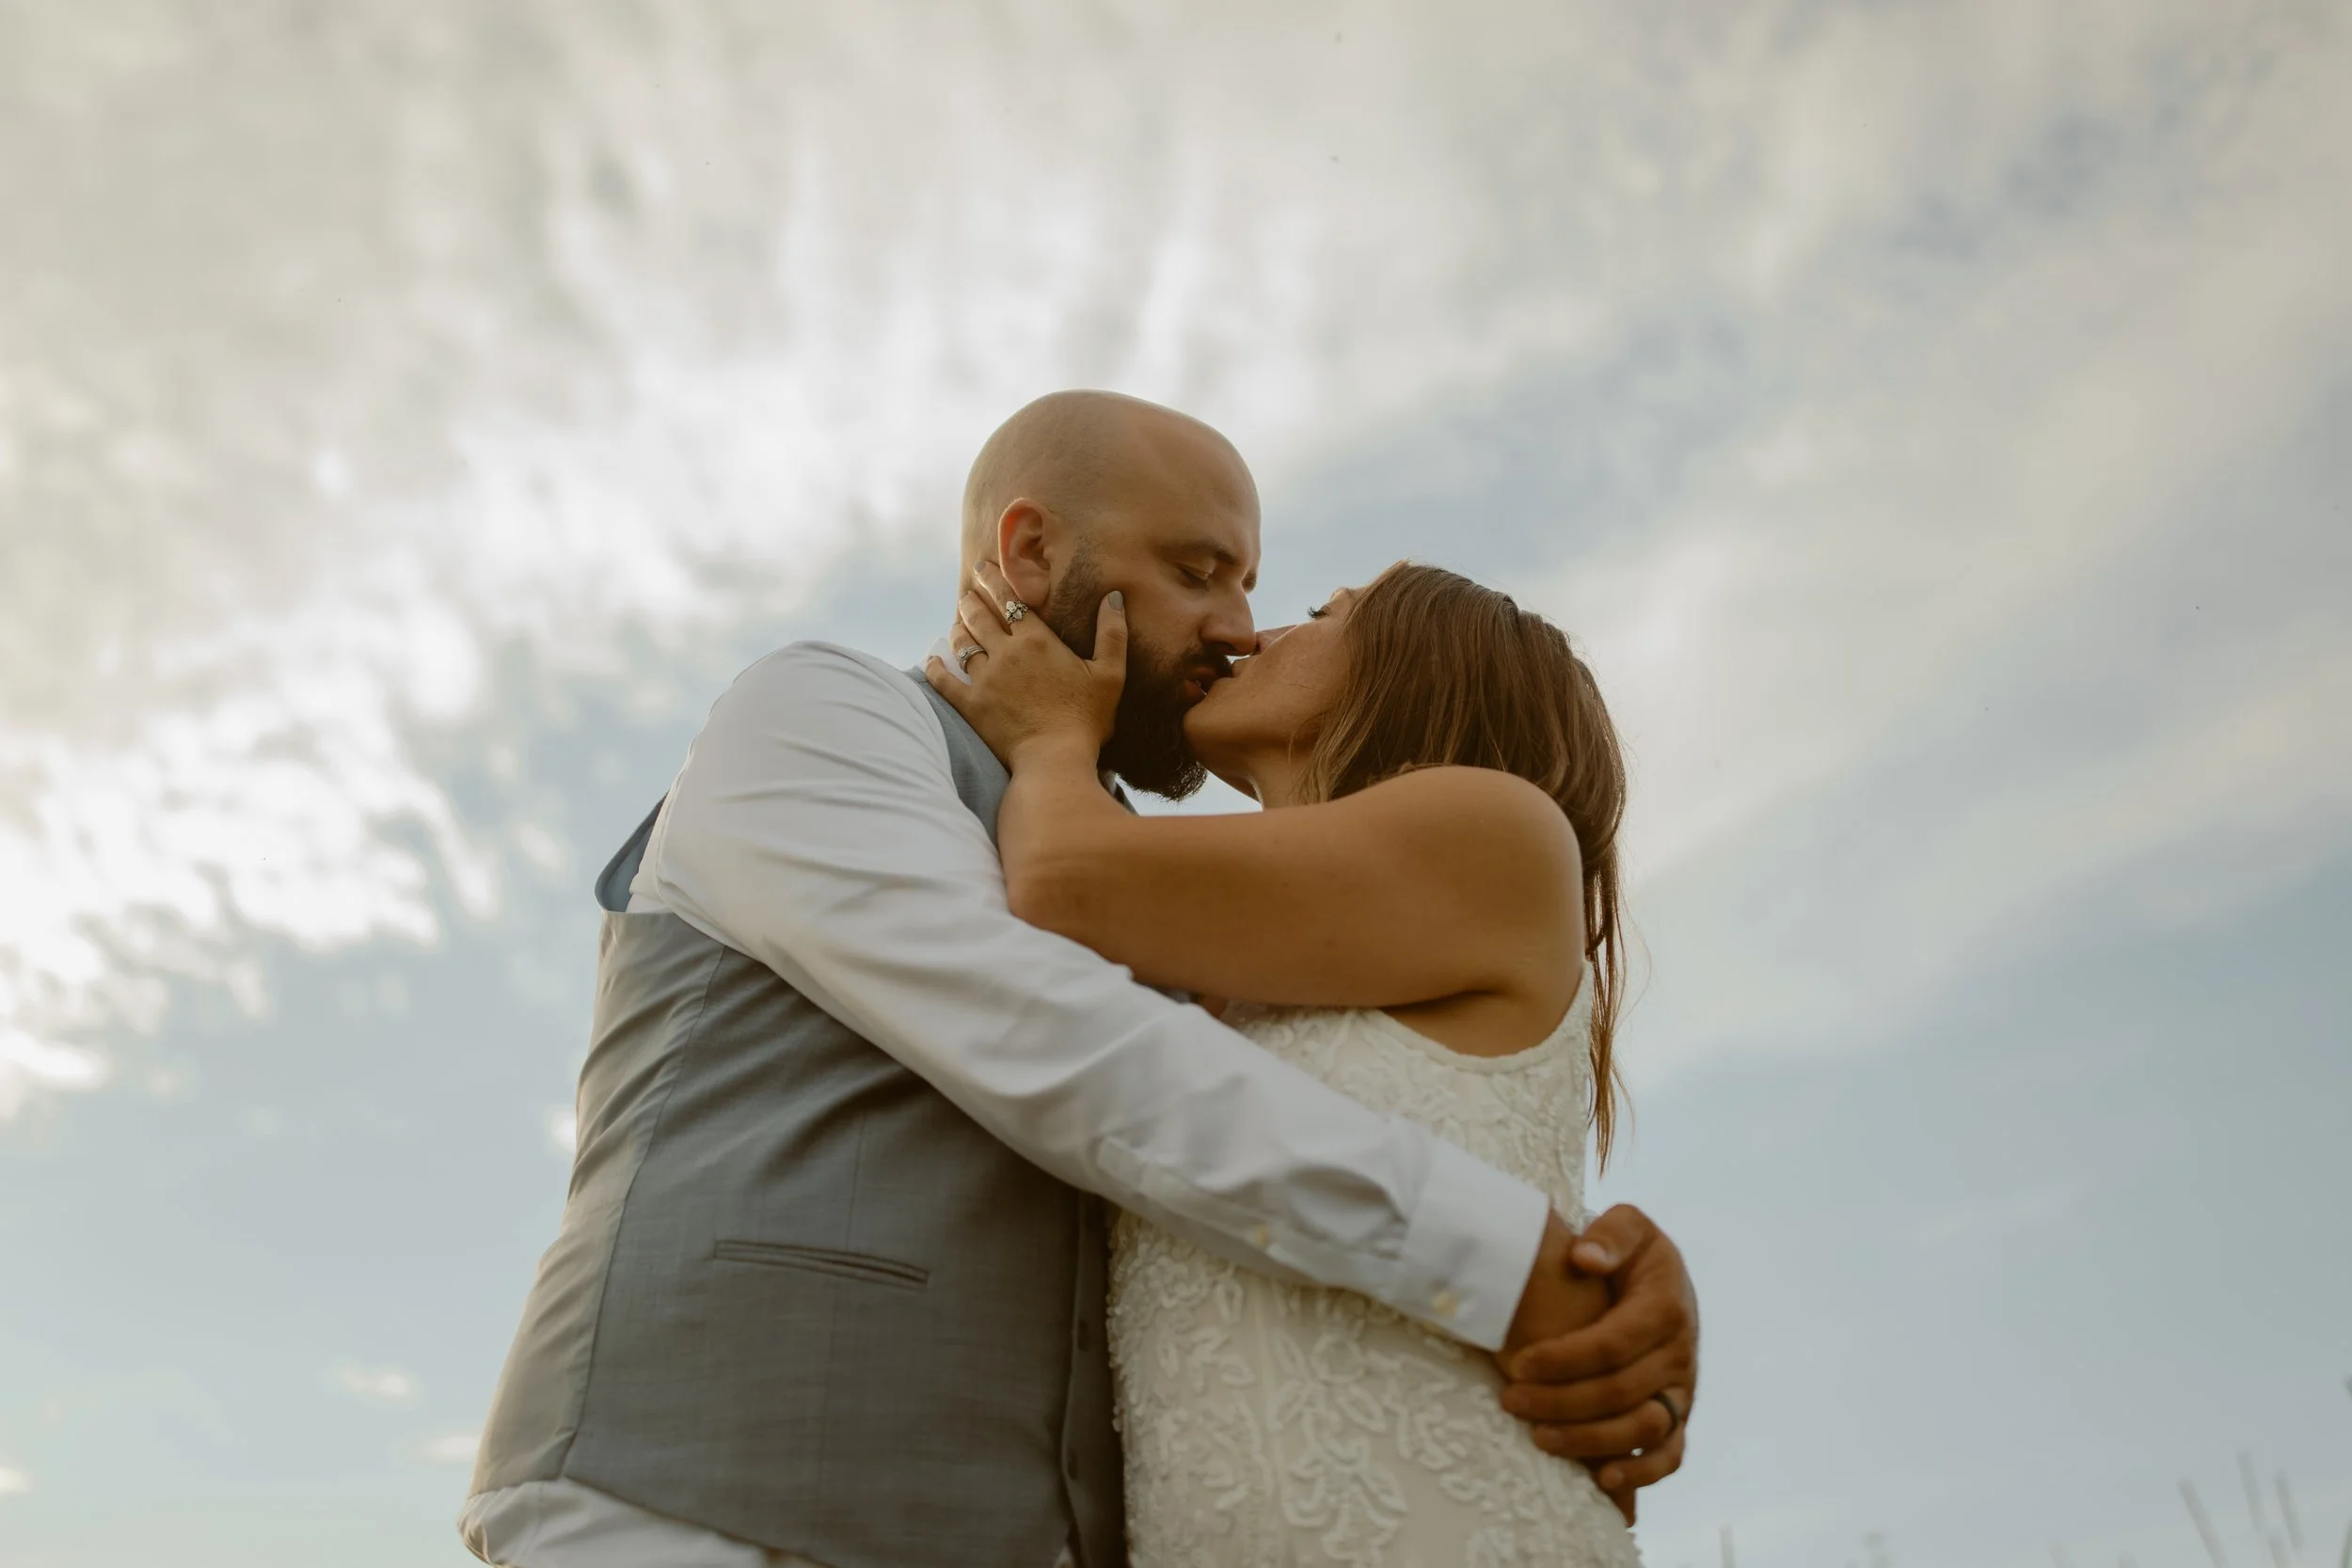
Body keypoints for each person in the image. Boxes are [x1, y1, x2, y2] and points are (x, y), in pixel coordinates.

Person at [461, 391, 1696, 1568]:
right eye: (1198, 570)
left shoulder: (1176, 892)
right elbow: (1040, 1028)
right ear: (1031, 549)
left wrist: (1618, 1272)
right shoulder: (826, 712)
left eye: (1259, 586)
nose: (1236, 625)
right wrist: (1509, 1255)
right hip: (698, 1505)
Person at [934, 552, 1653, 1564]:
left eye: (1325, 612)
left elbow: (1061, 876)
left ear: (1422, 666)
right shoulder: (1216, 974)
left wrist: (1052, 735)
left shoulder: (1500, 831)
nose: (1248, 633)